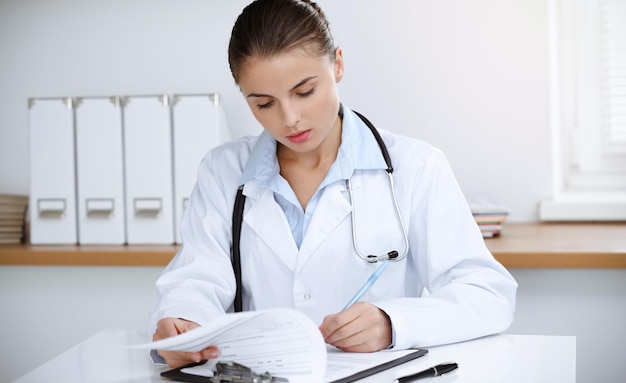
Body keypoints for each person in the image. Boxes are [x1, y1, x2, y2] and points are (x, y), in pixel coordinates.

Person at [151, 0, 517, 368]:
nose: (289, 118)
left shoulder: (416, 167)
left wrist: (394, 323)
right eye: (264, 104)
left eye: (304, 91)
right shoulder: (222, 171)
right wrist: (184, 326)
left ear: (338, 64)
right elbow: (195, 282)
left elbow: (487, 294)